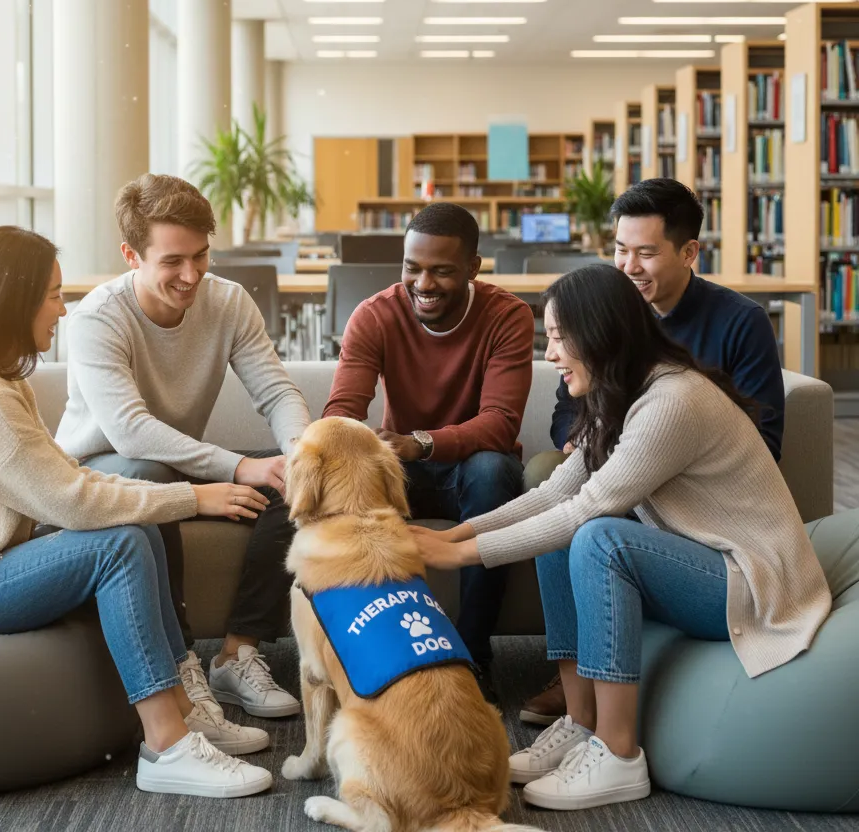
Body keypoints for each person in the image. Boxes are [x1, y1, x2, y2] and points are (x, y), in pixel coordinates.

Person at [0, 227, 276, 798]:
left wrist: (171, 499)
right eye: (53, 293)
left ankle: (183, 707)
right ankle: (167, 746)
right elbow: (71, 502)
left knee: (132, 526)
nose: (63, 307)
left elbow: (69, 478)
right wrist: (192, 496)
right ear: (14, 300)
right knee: (119, 544)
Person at [410, 264, 829, 813]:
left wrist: (460, 553)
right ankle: (581, 721)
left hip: (753, 581)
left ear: (602, 333)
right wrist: (454, 536)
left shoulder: (671, 401)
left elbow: (588, 509)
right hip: (706, 566)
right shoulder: (621, 395)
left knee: (599, 537)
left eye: (560, 338)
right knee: (565, 532)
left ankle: (618, 752)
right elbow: (553, 495)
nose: (550, 354)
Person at [520, 177, 785, 726]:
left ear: (689, 252)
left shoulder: (738, 322)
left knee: (586, 521)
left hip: (699, 503)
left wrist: (642, 453)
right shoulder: (610, 313)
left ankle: (607, 723)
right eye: (619, 250)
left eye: (645, 252)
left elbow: (764, 440)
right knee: (555, 493)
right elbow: (567, 413)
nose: (629, 266)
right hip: (614, 477)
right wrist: (591, 443)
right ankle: (580, 704)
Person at [55, 174, 310, 727]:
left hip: (181, 462)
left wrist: (296, 454)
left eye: (200, 255)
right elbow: (130, 432)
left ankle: (237, 653)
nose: (191, 275)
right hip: (106, 469)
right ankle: (180, 663)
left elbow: (277, 391)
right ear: (131, 255)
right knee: (149, 470)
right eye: (173, 261)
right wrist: (239, 466)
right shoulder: (98, 317)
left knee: (295, 480)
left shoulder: (228, 302)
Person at [322, 202, 534, 702]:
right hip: (400, 473)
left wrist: (423, 443)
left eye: (441, 271)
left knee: (492, 470)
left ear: (472, 268)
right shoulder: (375, 315)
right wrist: (354, 444)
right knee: (352, 472)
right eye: (412, 268)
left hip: (469, 469)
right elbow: (342, 412)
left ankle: (473, 655)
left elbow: (500, 424)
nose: (423, 283)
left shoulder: (507, 315)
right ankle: (376, 654)